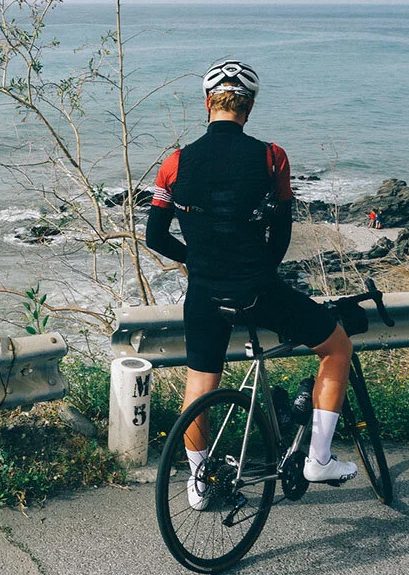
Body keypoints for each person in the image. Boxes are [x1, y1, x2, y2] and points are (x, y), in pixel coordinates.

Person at [146, 60, 357, 509]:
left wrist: (198, 262)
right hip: (257, 289)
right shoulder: (271, 156)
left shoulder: (175, 163)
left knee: (200, 383)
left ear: (207, 104)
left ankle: (199, 484)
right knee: (337, 348)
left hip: (204, 290)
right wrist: (260, 271)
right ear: (250, 107)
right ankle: (318, 459)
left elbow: (155, 236)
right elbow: (281, 233)